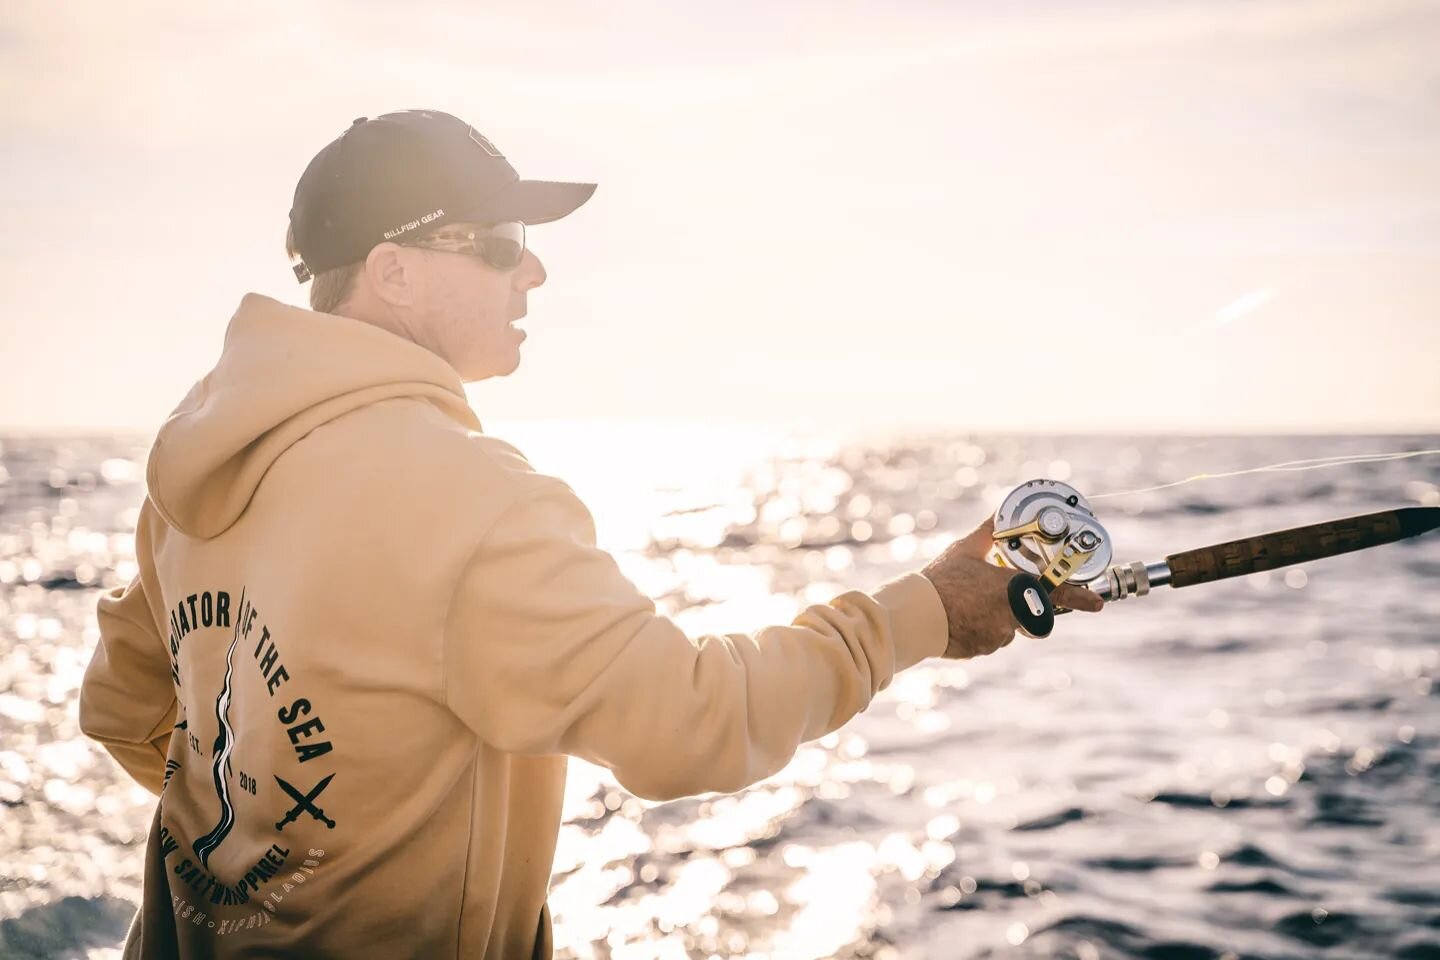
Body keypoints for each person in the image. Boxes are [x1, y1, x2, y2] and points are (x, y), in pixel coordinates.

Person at [79, 108, 1103, 959]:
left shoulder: (200, 457)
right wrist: (927, 609)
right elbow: (694, 722)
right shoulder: (466, 497)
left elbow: (129, 710)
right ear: (391, 270)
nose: (536, 279)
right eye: (502, 245)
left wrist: (279, 862)